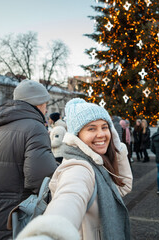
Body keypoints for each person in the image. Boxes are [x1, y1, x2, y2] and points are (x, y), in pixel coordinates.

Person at [17, 98, 132, 239]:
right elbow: (69, 198)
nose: (101, 134)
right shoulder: (78, 167)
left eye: (104, 127)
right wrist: (48, 233)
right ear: (77, 135)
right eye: (91, 128)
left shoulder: (99, 162)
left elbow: (123, 186)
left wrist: (118, 148)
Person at [0, 80, 58, 240]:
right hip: (14, 218)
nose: (46, 108)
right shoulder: (35, 128)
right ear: (36, 103)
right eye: (44, 103)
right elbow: (42, 178)